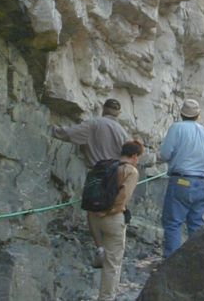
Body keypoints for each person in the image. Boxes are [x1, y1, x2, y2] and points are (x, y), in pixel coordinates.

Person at [52, 98, 128, 267]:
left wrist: (53, 130)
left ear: (103, 109)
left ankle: (100, 249)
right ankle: (111, 249)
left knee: (93, 209)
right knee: (111, 208)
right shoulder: (123, 131)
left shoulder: (94, 124)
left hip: (98, 173)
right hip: (117, 174)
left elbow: (70, 134)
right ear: (118, 113)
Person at [88, 141, 144, 301]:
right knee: (112, 265)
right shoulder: (130, 171)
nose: (138, 161)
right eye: (138, 157)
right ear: (134, 156)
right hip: (112, 219)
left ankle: (100, 252)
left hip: (93, 217)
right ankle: (106, 298)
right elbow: (123, 196)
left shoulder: (105, 166)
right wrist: (108, 211)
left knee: (103, 252)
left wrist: (97, 212)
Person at [159, 99, 204, 258]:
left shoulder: (177, 128)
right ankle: (196, 264)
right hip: (200, 182)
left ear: (181, 113)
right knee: (197, 225)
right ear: (198, 115)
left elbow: (165, 154)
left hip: (181, 180)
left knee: (173, 223)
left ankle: (171, 265)